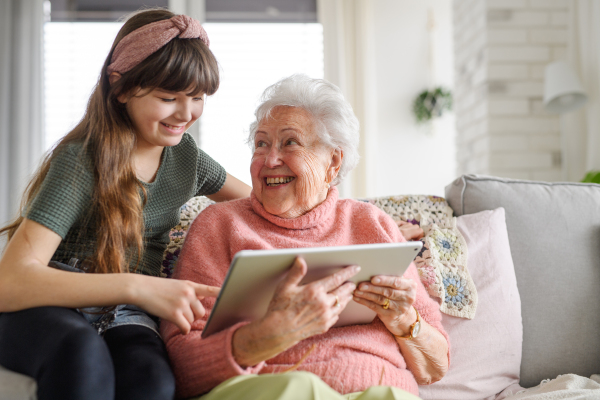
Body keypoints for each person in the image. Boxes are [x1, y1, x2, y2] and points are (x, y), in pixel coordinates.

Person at [0, 9, 251, 400]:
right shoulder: (81, 159)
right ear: (120, 87)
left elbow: (262, 206)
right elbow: (11, 281)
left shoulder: (187, 159)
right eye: (168, 97)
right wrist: (138, 287)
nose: (186, 114)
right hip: (52, 301)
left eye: (197, 98)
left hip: (127, 316)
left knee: (152, 380)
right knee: (81, 354)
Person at [161, 74, 450, 400]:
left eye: (290, 142)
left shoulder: (372, 224)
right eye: (261, 144)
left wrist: (403, 319)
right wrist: (273, 333)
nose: (270, 160)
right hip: (276, 388)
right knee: (303, 389)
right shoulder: (220, 225)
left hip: (380, 390)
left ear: (333, 161)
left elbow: (435, 367)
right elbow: (185, 368)